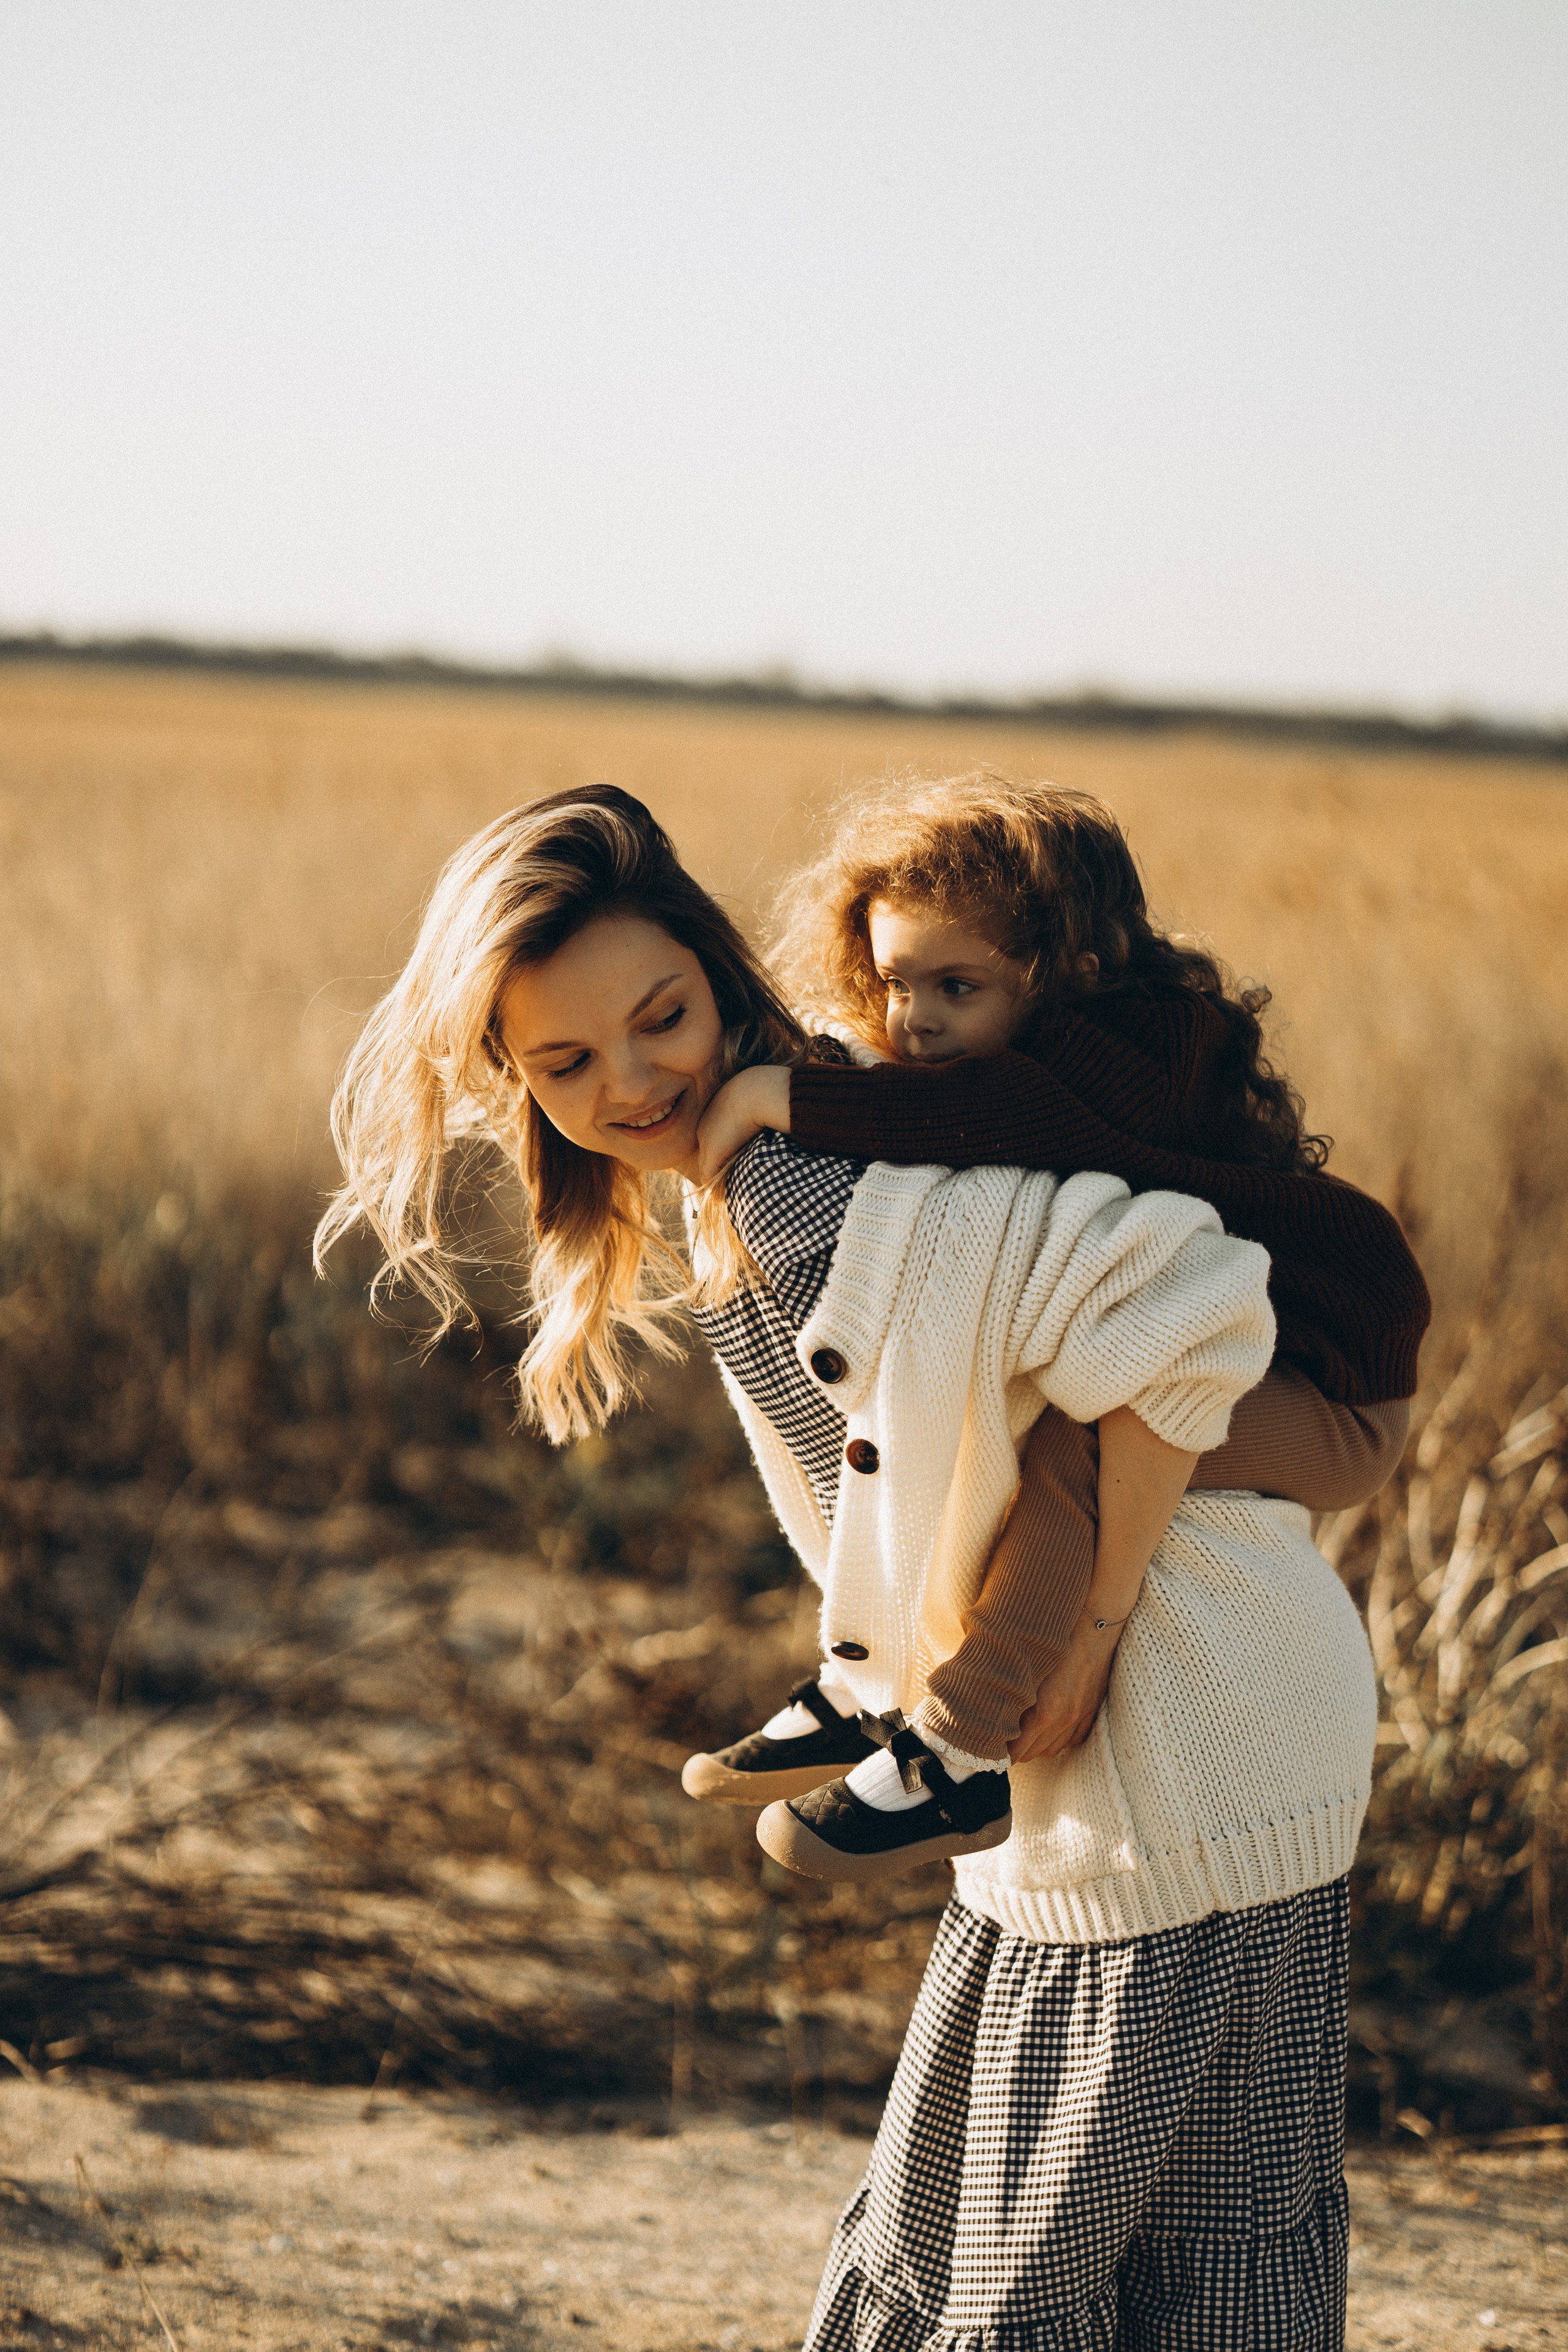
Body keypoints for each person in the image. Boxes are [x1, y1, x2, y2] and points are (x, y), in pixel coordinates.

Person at [318, 782, 1381, 2346]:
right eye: (562, 1063)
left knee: (1013, 2280)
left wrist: (1077, 1641)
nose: (631, 1081)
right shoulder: (760, 1168)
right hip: (1210, 1737)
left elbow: (1186, 1296)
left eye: (660, 1016)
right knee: (1180, 2262)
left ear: (712, 961)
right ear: (506, 1077)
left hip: (1171, 1735)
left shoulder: (800, 1177)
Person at [684, 774, 1424, 1880]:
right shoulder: (998, 1045)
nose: (916, 1017)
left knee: (1076, 1430)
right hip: (1229, 1343)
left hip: (1334, 1393)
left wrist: (774, 1099)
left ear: (1068, 970)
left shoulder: (1153, 1042)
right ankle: (866, 1685)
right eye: (895, 981)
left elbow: (994, 1119)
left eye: (956, 985)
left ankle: (961, 1750)